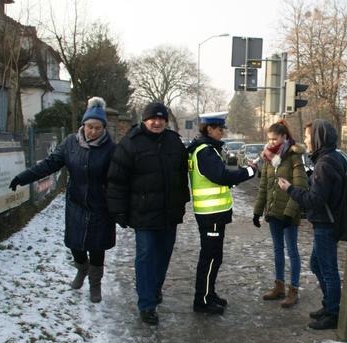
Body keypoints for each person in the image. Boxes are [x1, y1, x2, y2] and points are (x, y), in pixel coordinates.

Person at [9, 97, 115, 303]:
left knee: (97, 247)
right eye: (89, 126)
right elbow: (49, 164)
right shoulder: (70, 144)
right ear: (82, 125)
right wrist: (23, 178)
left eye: (98, 128)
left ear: (104, 128)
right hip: (76, 203)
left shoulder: (111, 149)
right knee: (75, 244)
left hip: (100, 206)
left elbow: (120, 179)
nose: (93, 131)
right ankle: (81, 270)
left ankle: (95, 285)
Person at [106, 102, 190, 326]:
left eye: (161, 119)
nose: (157, 122)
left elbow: (183, 176)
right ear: (144, 120)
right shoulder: (131, 143)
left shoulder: (174, 141)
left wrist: (182, 202)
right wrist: (119, 211)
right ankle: (146, 304)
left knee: (163, 256)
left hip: (169, 214)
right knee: (145, 257)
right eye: (153, 118)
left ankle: (154, 289)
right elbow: (116, 180)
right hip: (143, 214)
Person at [277, 119, 347, 330]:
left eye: (308, 136)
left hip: (326, 223)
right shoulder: (332, 158)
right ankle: (329, 306)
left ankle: (333, 313)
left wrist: (290, 189)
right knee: (317, 265)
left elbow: (314, 200)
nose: (306, 140)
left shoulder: (325, 163)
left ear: (318, 138)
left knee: (328, 269)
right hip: (328, 221)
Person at [186, 112, 257, 315]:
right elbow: (221, 176)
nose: (222, 132)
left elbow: (218, 178)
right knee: (209, 257)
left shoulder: (205, 148)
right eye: (219, 129)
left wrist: (234, 178)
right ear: (209, 129)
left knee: (214, 257)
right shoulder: (205, 151)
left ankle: (209, 293)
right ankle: (202, 300)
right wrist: (248, 172)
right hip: (211, 213)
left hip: (213, 213)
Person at [253, 120, 308, 308]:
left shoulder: (294, 157)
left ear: (284, 137)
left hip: (288, 215)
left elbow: (300, 187)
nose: (271, 143)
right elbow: (264, 187)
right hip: (273, 212)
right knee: (277, 250)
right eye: (269, 139)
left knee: (292, 251)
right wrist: (257, 211)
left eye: (274, 139)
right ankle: (279, 286)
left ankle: (293, 290)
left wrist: (288, 214)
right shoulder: (269, 159)